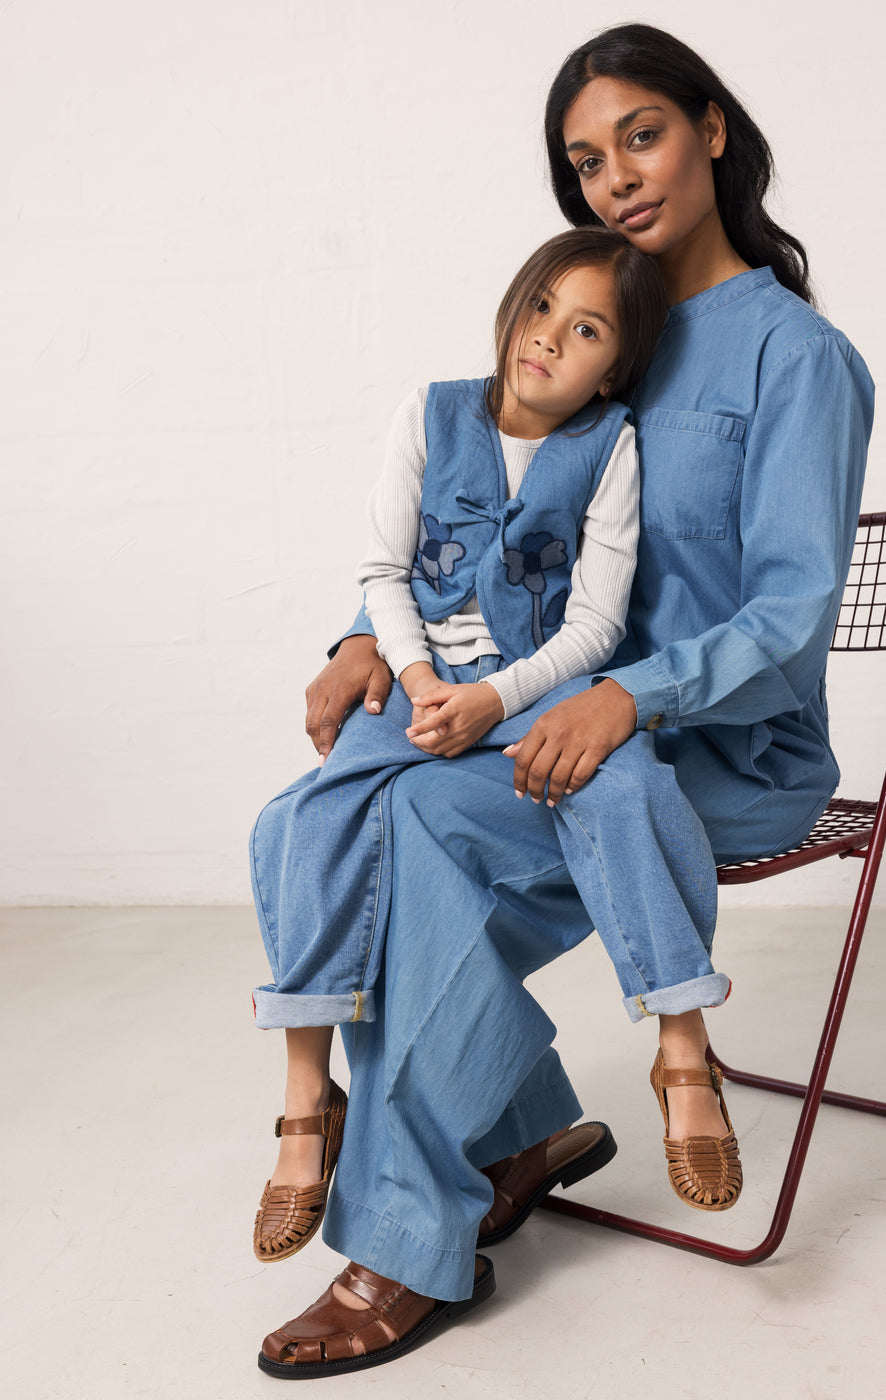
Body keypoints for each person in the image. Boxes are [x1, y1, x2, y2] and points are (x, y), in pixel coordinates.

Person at [256, 22, 875, 1380]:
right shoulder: (602, 322)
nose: (616, 181)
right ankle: (525, 1127)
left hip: (723, 746)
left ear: (711, 127)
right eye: (585, 163)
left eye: (639, 138)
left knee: (413, 834)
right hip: (546, 719)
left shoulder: (794, 359)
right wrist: (365, 635)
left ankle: (406, 1239)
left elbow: (788, 616)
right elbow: (483, 530)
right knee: (337, 812)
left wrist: (631, 698)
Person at [250, 226, 668, 1265]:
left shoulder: (610, 442)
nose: (548, 342)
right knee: (296, 823)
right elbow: (382, 567)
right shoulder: (431, 411)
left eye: (583, 332)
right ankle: (312, 1092)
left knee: (380, 842)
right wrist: (424, 678)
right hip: (418, 681)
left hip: (526, 700)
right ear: (513, 304)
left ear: (611, 364)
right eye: (541, 309)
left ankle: (402, 1201)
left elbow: (593, 626)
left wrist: (486, 699)